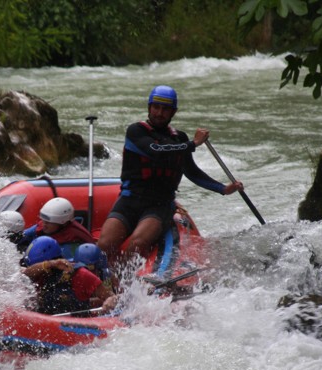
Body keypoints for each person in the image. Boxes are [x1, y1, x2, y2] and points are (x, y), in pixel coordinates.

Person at [97, 85, 245, 265]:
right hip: (129, 201)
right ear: (149, 107)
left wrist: (222, 188)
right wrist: (193, 144)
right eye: (156, 107)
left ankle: (122, 282)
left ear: (173, 112)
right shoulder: (136, 131)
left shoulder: (179, 138)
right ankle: (102, 279)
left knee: (137, 242)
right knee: (104, 244)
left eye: (165, 109)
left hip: (159, 205)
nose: (159, 113)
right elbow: (155, 150)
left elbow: (191, 171)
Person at [22, 236, 117, 315]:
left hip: (76, 326)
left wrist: (110, 301)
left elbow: (111, 296)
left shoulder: (81, 275)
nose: (38, 270)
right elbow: (25, 273)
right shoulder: (40, 272)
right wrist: (49, 264)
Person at [16, 197, 95, 258]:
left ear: (63, 224)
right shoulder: (45, 224)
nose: (44, 224)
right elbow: (22, 236)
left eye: (48, 222)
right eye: (43, 220)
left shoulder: (72, 243)